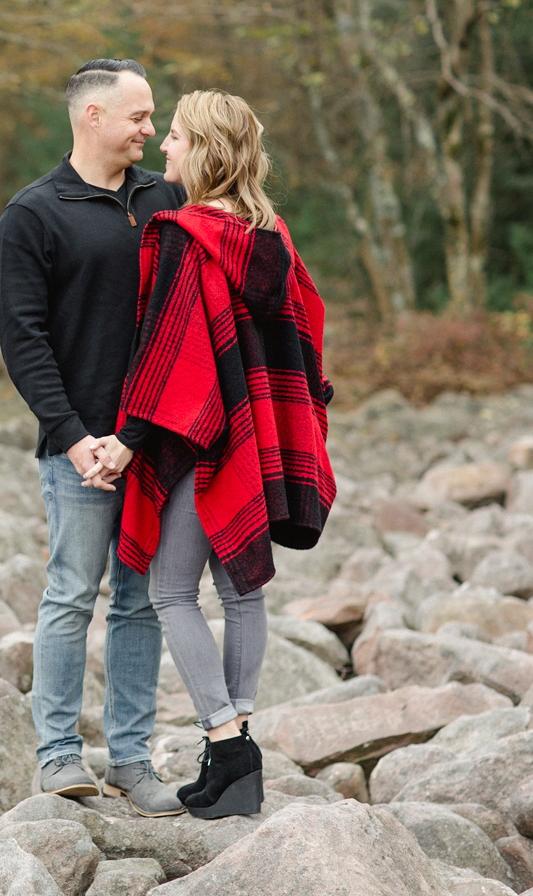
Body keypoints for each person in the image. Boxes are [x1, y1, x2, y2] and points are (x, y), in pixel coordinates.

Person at [86, 89, 337, 818]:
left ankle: (226, 743)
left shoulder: (183, 235)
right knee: (242, 593)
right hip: (257, 435)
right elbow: (307, 333)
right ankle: (238, 756)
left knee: (170, 593)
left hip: (204, 443)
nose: (164, 148)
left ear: (204, 150)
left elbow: (169, 358)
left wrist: (130, 444)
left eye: (174, 137)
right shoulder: (274, 236)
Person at [0, 59, 187, 817]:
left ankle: (134, 761)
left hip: (157, 443)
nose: (150, 128)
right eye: (139, 116)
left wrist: (137, 436)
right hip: (77, 452)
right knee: (71, 595)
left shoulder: (164, 198)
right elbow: (24, 341)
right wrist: (75, 439)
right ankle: (59, 759)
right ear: (93, 117)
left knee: (141, 602)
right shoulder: (33, 214)